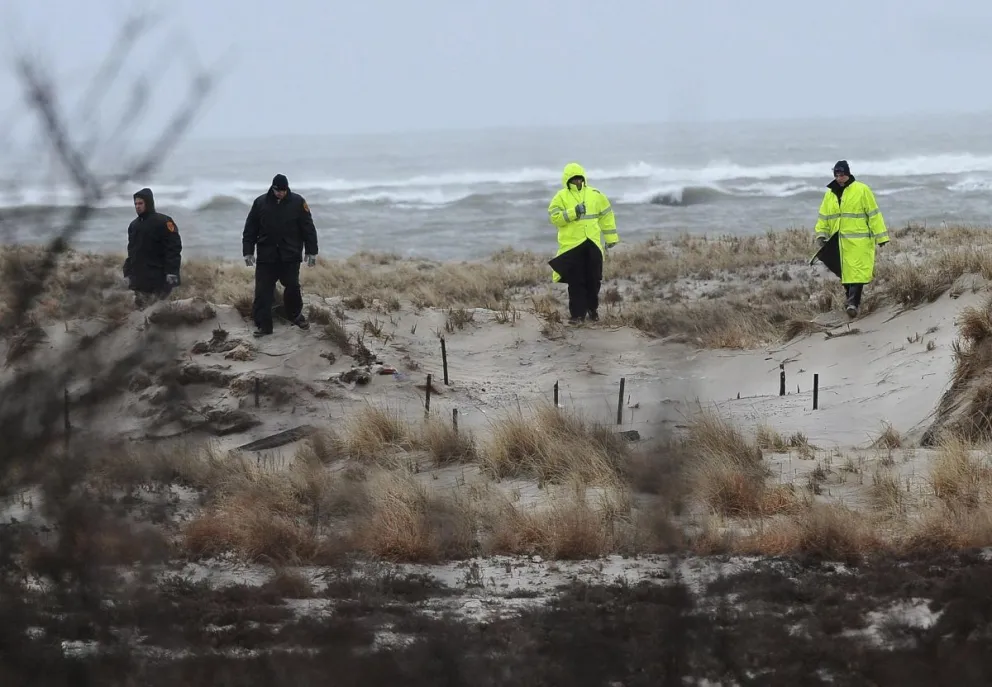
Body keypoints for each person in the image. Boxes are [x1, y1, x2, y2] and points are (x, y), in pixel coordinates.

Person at [242, 174, 319, 337]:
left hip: (290, 254)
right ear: (273, 188)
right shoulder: (260, 203)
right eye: (278, 191)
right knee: (263, 291)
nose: (281, 194)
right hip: (266, 256)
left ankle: (295, 316)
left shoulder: (298, 202)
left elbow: (308, 228)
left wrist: (311, 251)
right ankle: (263, 325)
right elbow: (250, 229)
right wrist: (248, 251)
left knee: (292, 286)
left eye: (284, 191)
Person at [814, 160, 890, 318]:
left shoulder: (862, 190)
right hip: (839, 242)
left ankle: (853, 303)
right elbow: (824, 217)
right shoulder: (830, 194)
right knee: (846, 274)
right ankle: (850, 300)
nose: (839, 177)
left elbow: (874, 214)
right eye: (836, 174)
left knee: (858, 272)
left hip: (860, 241)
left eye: (842, 174)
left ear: (848, 173)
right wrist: (821, 234)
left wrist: (881, 236)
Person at [546, 162, 619, 324]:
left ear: (583, 178)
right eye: (573, 179)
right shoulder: (560, 197)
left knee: (594, 280)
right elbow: (554, 218)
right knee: (576, 282)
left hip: (592, 244)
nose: (577, 182)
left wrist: (611, 238)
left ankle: (592, 310)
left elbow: (606, 215)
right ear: (567, 180)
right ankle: (577, 316)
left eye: (579, 178)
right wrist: (573, 212)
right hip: (573, 247)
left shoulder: (595, 194)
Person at [123, 187, 182, 308]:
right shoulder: (133, 226)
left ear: (148, 203)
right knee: (141, 311)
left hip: (160, 278)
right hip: (139, 280)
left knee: (160, 311)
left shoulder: (164, 221)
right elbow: (132, 252)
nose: (137, 206)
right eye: (135, 204)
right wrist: (128, 273)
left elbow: (174, 248)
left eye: (140, 203)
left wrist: (172, 272)